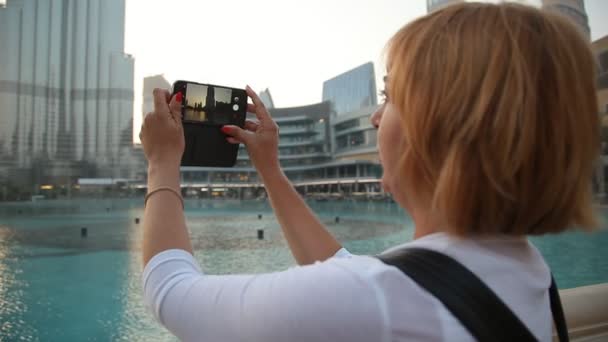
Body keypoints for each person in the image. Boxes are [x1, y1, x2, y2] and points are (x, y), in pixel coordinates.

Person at [139, 2, 599, 341]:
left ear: (441, 124)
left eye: (390, 96)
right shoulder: (524, 267)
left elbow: (172, 293)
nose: (377, 118)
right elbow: (349, 271)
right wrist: (271, 170)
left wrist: (162, 163)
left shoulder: (379, 302)